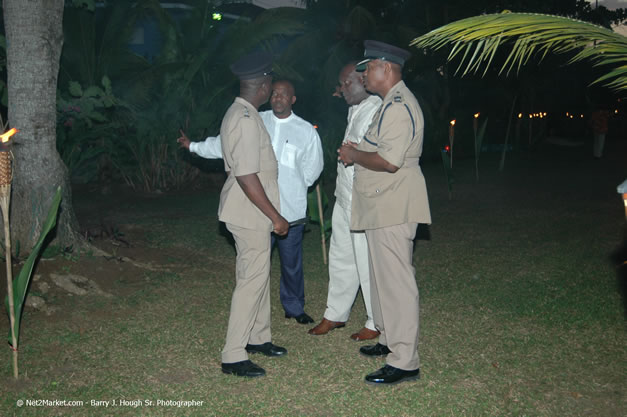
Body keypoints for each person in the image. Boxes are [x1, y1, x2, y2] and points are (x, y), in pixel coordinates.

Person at [178, 80, 324, 325]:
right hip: (258, 209)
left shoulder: (306, 130)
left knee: (291, 263)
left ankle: (294, 307)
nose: (278, 98)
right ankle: (255, 310)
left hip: (290, 210)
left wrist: (293, 186)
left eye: (284, 95)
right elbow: (225, 146)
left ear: (293, 100)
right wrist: (193, 146)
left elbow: (313, 168)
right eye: (275, 93)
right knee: (256, 263)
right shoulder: (256, 119)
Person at [338, 40, 431, 385]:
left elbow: (389, 162)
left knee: (397, 283)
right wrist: (357, 149)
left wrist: (353, 156)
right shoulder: (386, 104)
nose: (363, 73)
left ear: (387, 68)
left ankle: (405, 361)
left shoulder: (398, 105)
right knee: (382, 279)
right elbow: (378, 146)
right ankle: (390, 340)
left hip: (394, 200)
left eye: (369, 67)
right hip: (382, 201)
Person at [211, 51, 290, 378]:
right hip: (250, 210)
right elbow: (246, 176)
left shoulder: (246, 113)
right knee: (251, 279)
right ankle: (233, 353)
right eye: (270, 83)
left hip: (251, 209)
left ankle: (259, 337)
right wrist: (275, 216)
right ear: (261, 84)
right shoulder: (243, 119)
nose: (271, 89)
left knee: (258, 273)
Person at [308, 62, 382, 341]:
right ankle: (335, 313)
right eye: (340, 85)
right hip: (344, 195)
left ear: (364, 80)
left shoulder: (377, 109)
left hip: (364, 199)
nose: (341, 90)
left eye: (346, 84)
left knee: (366, 260)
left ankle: (376, 321)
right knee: (340, 257)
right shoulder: (355, 107)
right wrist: (347, 96)